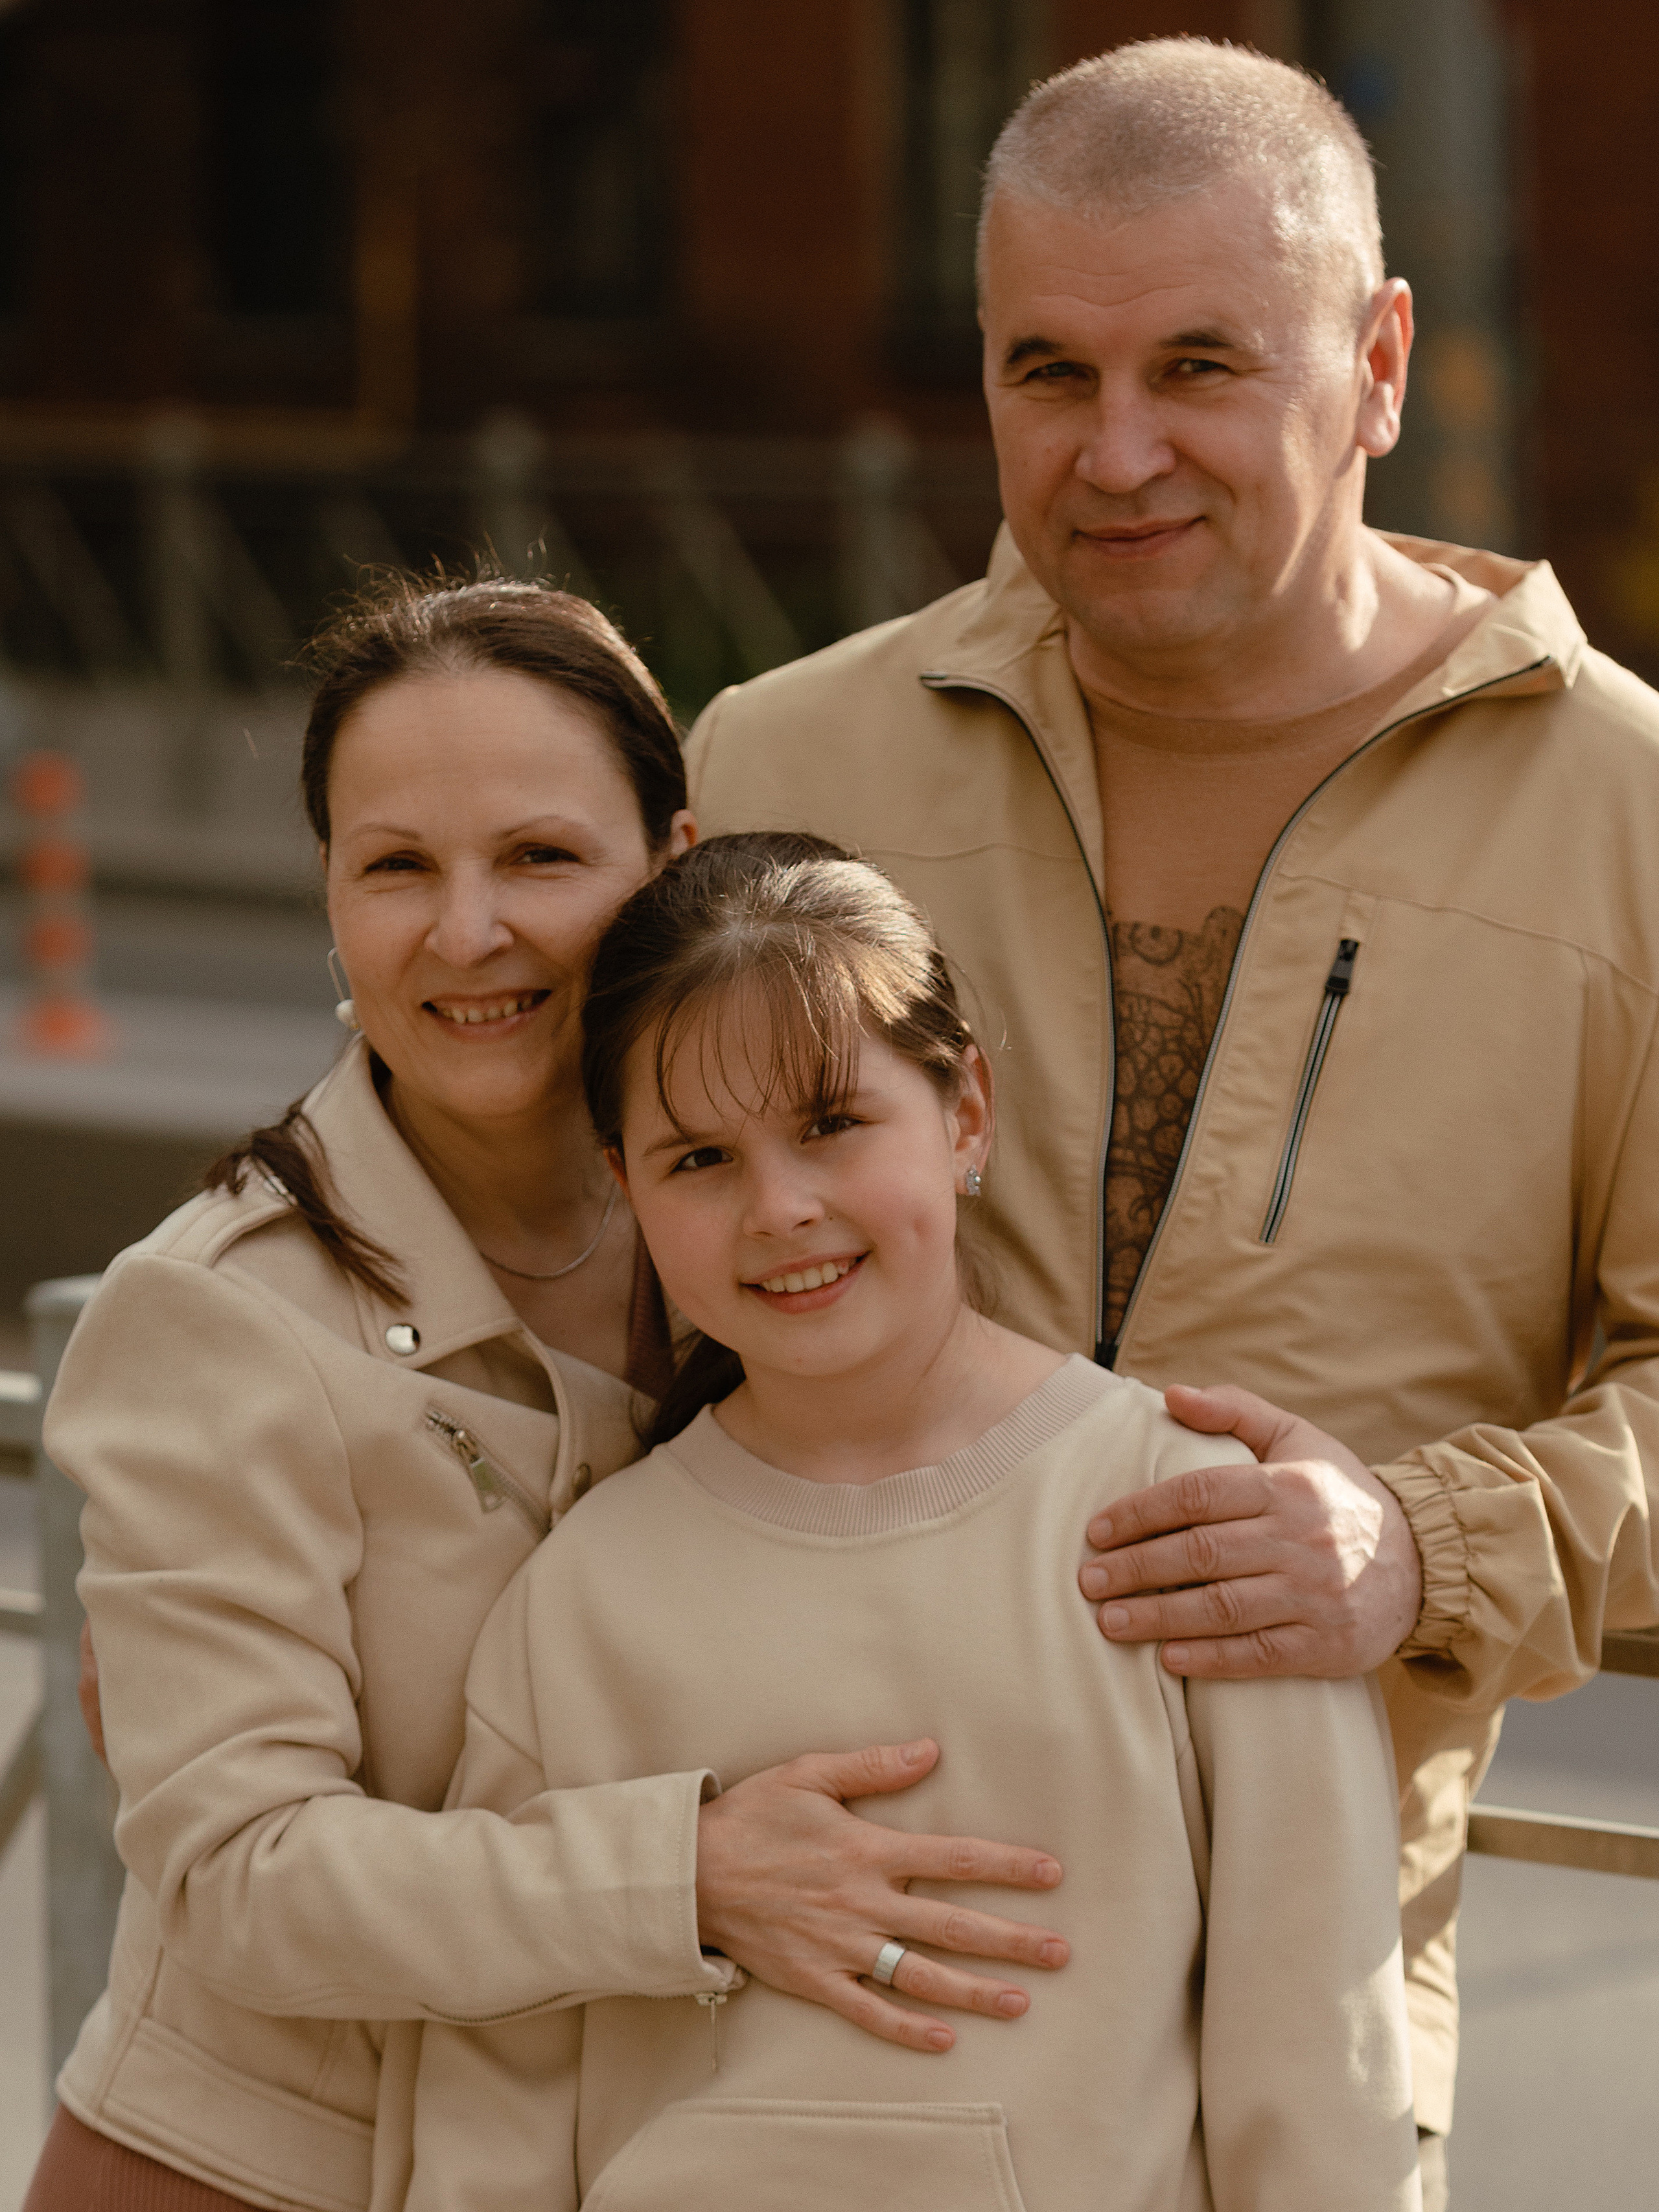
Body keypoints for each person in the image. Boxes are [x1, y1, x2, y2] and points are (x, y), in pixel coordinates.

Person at [684, 38, 1659, 2206]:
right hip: (796, 2001)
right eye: (1051, 372)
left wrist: (1425, 1544)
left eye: (1203, 365)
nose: (1117, 455)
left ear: (1381, 359)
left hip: (1283, 2052)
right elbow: (566, 1285)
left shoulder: (1637, 819)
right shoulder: (782, 758)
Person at [22, 580, 1069, 2212]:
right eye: (395, 868)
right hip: (268, 2175)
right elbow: (242, 1880)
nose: (465, 932)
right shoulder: (213, 1321)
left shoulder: (769, 1236)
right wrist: (689, 1876)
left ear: (670, 859)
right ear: (328, 896)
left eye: (537, 857)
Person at [385, 832, 1421, 2212]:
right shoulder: (583, 1594)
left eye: (829, 1124)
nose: (780, 1209)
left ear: (965, 1112)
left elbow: (1318, 2080)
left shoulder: (1190, 1531)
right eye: (698, 1157)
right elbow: (489, 2112)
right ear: (626, 1187)